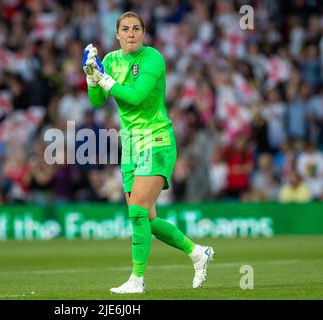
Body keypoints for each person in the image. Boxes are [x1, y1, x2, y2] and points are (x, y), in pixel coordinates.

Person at [82, 11, 215, 294]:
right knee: (147, 219)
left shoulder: (153, 58)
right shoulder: (110, 60)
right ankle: (196, 253)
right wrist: (92, 78)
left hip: (156, 141)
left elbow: (137, 97)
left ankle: (137, 280)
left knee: (138, 211)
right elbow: (96, 102)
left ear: (143, 33)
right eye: (125, 29)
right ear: (117, 34)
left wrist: (104, 80)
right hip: (130, 147)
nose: (131, 33)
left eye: (136, 29)